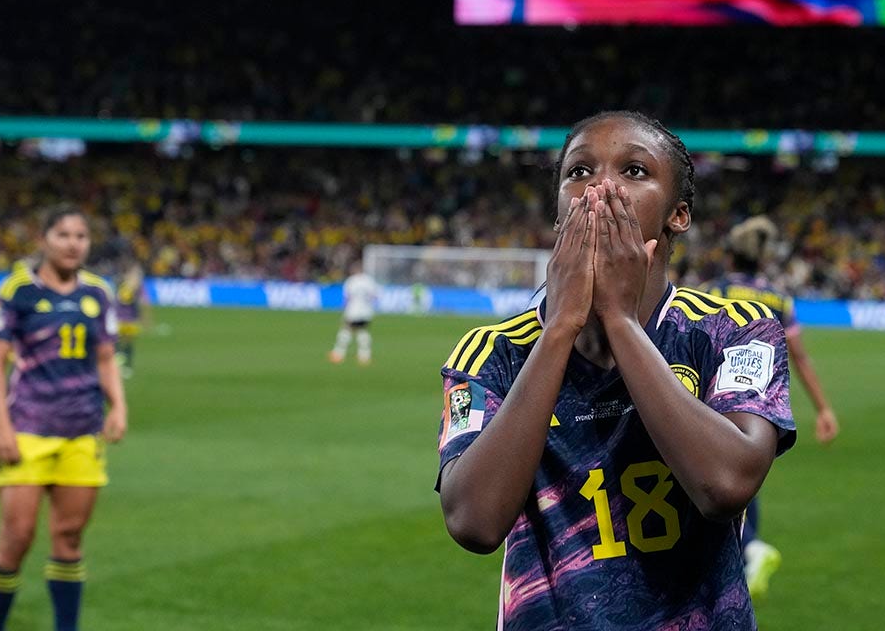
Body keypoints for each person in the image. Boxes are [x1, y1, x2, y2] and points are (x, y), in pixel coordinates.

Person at [436, 111, 797, 630]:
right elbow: (474, 521)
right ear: (560, 214)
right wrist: (560, 328)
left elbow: (725, 484)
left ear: (678, 215)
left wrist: (621, 322)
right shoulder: (492, 354)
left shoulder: (731, 330)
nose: (601, 188)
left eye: (633, 171)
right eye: (579, 172)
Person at [0, 205, 128, 631]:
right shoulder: (17, 291)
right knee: (16, 539)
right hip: (26, 428)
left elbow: (105, 358)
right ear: (44, 238)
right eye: (63, 234)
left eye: (81, 236)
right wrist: (1, 427)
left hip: (83, 431)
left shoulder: (99, 293)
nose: (72, 243)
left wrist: (117, 404)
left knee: (69, 539)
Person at [701, 215, 839, 600]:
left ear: (730, 256)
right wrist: (824, 409)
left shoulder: (710, 291)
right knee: (743, 475)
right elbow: (801, 358)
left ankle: (747, 550)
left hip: (713, 398)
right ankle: (748, 550)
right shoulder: (779, 299)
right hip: (761, 406)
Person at [329, 262, 380, 366]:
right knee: (362, 330)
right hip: (366, 311)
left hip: (353, 310)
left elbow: (347, 298)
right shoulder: (369, 280)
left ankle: (338, 354)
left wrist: (343, 309)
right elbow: (375, 296)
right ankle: (364, 356)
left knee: (346, 329)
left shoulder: (351, 281)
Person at [114, 260, 151, 380]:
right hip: (121, 319)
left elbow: (142, 302)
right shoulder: (121, 283)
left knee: (127, 343)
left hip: (128, 319)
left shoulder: (133, 286)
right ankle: (121, 365)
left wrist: (143, 317)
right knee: (120, 343)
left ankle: (126, 366)